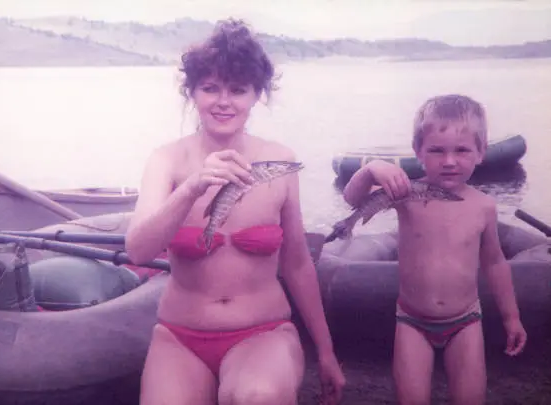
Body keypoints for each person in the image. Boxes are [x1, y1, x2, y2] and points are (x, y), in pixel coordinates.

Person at [125, 18, 345, 405]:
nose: (223, 101)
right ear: (192, 92)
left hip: (263, 332)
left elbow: (296, 263)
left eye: (238, 89)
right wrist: (191, 189)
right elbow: (138, 250)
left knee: (257, 396)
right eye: (210, 88)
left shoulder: (280, 161)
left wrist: (326, 352)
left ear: (256, 94)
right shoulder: (165, 160)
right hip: (180, 337)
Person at [341, 94, 527, 405]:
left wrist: (512, 318)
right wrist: (371, 169)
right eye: (437, 151)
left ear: (481, 152)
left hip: (466, 320)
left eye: (462, 150)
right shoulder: (406, 194)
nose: (450, 161)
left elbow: (494, 263)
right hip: (412, 321)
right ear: (419, 152)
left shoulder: (483, 206)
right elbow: (353, 200)